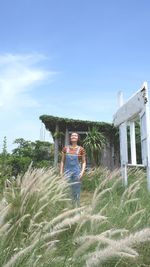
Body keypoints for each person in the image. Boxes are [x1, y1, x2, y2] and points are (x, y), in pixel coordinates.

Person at [60, 132, 86, 207]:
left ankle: (76, 207)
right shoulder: (65, 148)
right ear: (70, 138)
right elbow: (62, 161)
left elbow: (84, 162)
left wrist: (82, 172)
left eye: (75, 135)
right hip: (66, 172)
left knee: (76, 190)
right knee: (67, 190)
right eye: (72, 135)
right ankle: (68, 207)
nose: (73, 136)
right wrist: (61, 172)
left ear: (77, 138)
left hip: (76, 172)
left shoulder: (81, 149)